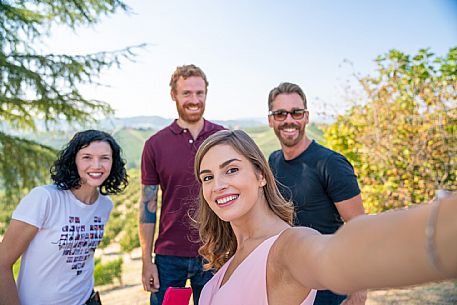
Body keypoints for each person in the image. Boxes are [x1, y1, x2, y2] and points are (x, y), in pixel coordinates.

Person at [193, 129, 457, 305]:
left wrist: (444, 230)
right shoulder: (234, 255)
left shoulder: (287, 247)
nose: (217, 185)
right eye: (208, 177)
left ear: (261, 175)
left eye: (231, 170)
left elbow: (333, 255)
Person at [0, 129, 128, 305]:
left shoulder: (105, 205)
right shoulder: (45, 198)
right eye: (87, 157)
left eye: (105, 158)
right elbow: (2, 263)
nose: (97, 165)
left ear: (113, 163)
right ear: (73, 160)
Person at [267, 82, 366, 304]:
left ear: (306, 117)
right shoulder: (272, 161)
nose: (289, 120)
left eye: (296, 112)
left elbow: (360, 227)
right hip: (287, 285)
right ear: (271, 120)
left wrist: (359, 290)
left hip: (328, 287)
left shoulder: (330, 164)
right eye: (280, 114)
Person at [139, 64, 225, 305]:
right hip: (168, 256)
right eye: (187, 93)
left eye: (200, 93)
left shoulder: (223, 139)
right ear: (173, 95)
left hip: (216, 251)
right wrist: (147, 261)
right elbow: (147, 206)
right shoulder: (155, 144)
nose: (194, 100)